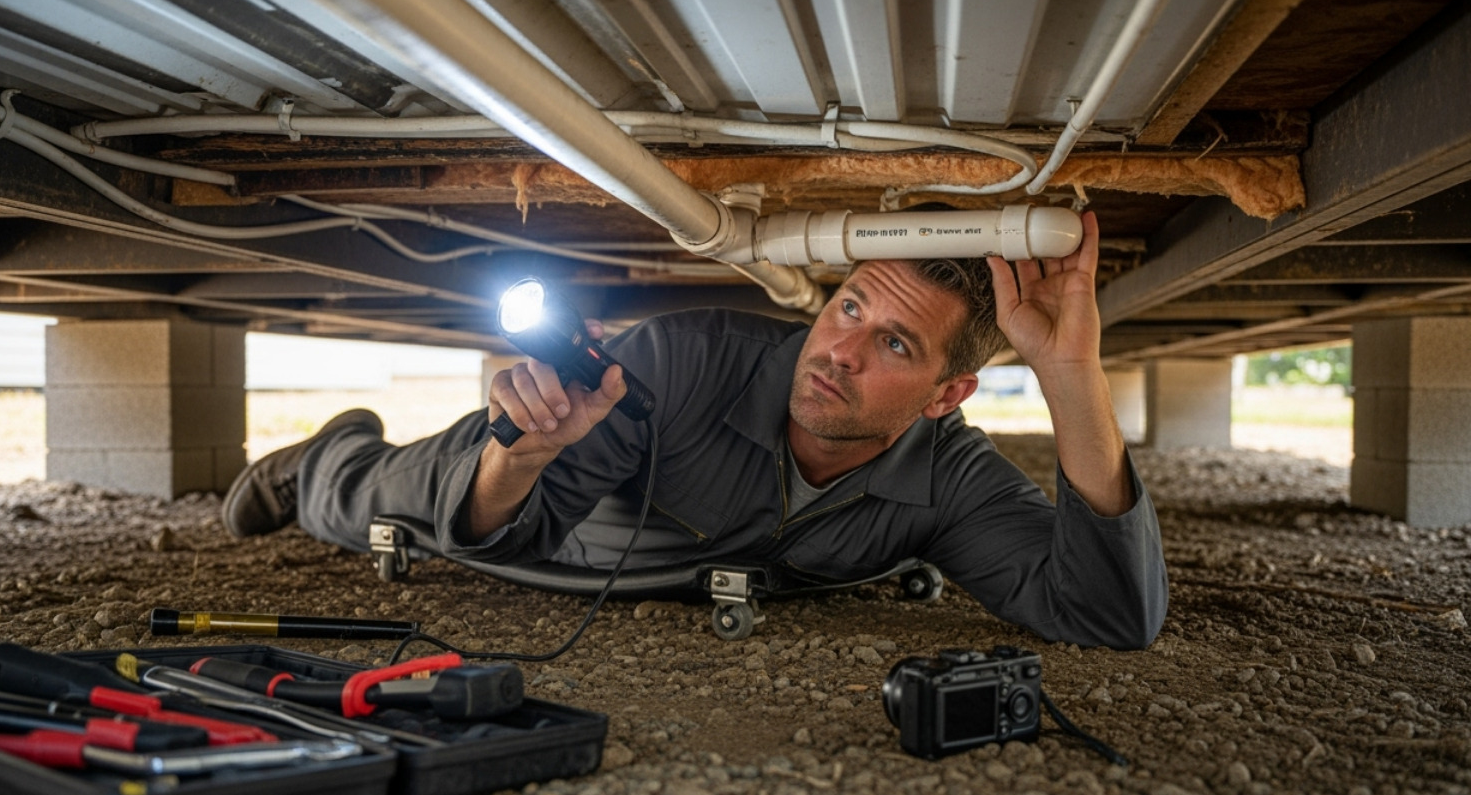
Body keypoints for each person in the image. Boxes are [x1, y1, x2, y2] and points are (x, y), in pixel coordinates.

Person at [223, 211, 1166, 649]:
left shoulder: (950, 475)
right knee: (376, 500)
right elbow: (512, 524)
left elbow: (1105, 611)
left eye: (890, 341)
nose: (837, 350)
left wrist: (1071, 373)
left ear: (944, 395)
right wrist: (527, 450)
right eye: (844, 308)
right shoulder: (679, 360)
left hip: (642, 565)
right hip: (526, 493)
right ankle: (323, 452)